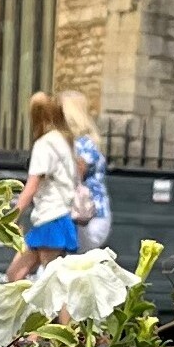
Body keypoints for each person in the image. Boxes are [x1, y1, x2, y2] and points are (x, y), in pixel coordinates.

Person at [8, 89, 80, 280]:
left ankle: (48, 310)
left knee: (53, 286)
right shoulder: (64, 142)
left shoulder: (45, 145)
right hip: (56, 217)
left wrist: (11, 218)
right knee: (16, 275)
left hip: (50, 218)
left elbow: (31, 187)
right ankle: (31, 309)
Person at [61, 91, 112, 252]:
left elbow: (76, 173)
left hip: (86, 215)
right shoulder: (88, 142)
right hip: (92, 213)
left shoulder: (82, 143)